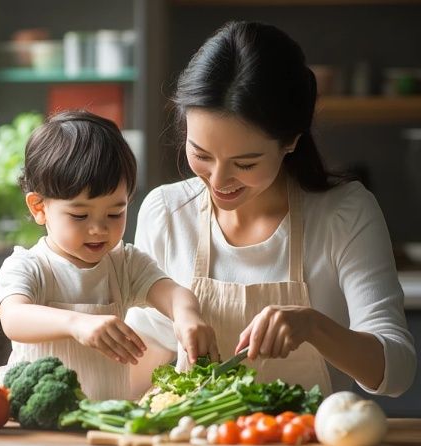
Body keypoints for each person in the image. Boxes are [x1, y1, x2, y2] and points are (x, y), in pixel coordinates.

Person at [126, 21, 416, 398]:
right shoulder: (165, 212)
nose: (218, 180)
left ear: (291, 141)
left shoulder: (343, 213)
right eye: (201, 155)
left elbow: (397, 371)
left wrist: (313, 327)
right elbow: (146, 349)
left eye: (245, 164)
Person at [0, 110, 218, 400]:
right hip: (34, 427)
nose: (99, 229)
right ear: (39, 207)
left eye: (116, 212)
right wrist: (77, 324)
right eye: (80, 215)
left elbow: (174, 293)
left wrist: (187, 316)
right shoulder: (28, 266)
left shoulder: (123, 264)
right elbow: (13, 318)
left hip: (105, 421)